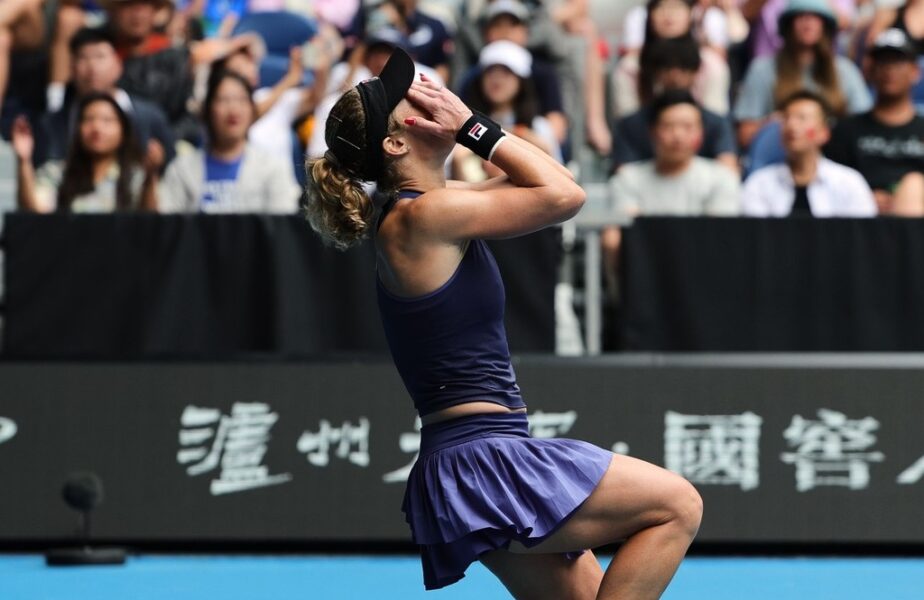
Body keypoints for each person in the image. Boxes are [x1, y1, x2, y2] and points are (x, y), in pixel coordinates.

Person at [304, 47, 702, 597]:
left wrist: (472, 125)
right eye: (413, 102)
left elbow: (554, 179)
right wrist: (470, 124)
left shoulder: (430, 206)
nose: (432, 96)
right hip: (484, 461)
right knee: (678, 505)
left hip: (472, 463)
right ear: (396, 143)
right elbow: (567, 196)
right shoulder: (423, 216)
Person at [734, 0, 871, 148]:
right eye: (800, 16)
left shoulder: (845, 71)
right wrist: (775, 125)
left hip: (835, 157)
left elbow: (865, 128)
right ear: (788, 25)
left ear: (826, 26)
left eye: (815, 17)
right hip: (780, 157)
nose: (807, 22)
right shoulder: (763, 69)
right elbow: (745, 135)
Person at [158, 70, 301, 212]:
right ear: (208, 109)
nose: (233, 109)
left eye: (241, 100)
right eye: (223, 100)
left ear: (252, 110)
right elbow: (167, 225)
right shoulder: (181, 169)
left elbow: (283, 226)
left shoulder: (273, 168)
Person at [35, 26, 176, 171]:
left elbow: (171, 168)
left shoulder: (149, 116)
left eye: (100, 57)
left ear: (118, 64)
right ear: (72, 68)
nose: (92, 67)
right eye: (83, 58)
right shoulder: (52, 123)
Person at [827, 28, 924, 216]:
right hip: (858, 224)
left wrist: (901, 200)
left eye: (898, 61)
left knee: (913, 185)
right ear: (870, 70)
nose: (889, 69)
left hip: (916, 224)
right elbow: (827, 184)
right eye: (882, 61)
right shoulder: (845, 130)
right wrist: (862, 197)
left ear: (915, 72)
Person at [13, 92, 160, 212]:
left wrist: (150, 177)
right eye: (88, 119)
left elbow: (150, 221)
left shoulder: (135, 175)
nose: (96, 128)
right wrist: (24, 161)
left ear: (123, 131)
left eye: (107, 120)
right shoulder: (56, 173)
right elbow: (34, 214)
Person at [611, 36, 738, 172]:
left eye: (684, 68)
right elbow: (623, 175)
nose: (675, 77)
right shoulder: (631, 124)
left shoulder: (716, 123)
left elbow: (729, 170)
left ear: (696, 73)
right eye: (667, 69)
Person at [742, 90, 876, 217]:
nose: (791, 125)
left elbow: (861, 235)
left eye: (802, 118)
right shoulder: (759, 183)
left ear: (824, 132)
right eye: (786, 118)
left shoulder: (849, 183)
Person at [454, 40, 562, 180]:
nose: (496, 79)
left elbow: (558, 181)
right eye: (490, 71)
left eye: (506, 72)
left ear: (521, 81)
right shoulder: (463, 124)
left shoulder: (540, 127)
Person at [613, 0, 731, 118]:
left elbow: (717, 120)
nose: (668, 14)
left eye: (677, 6)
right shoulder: (631, 68)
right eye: (660, 6)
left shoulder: (710, 65)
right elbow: (626, 122)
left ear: (691, 13)